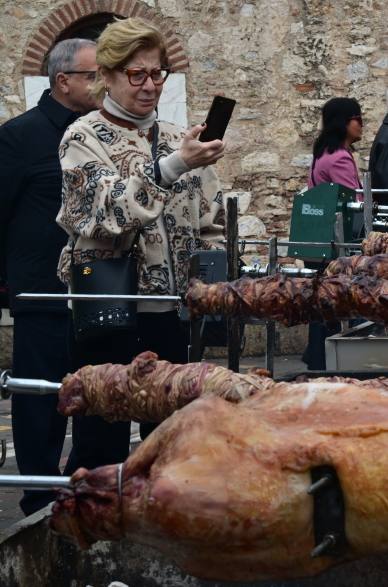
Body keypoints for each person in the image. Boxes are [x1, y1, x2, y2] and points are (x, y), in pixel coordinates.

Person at [55, 18, 226, 473]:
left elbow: (209, 221)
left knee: (172, 443)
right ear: (105, 77)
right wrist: (172, 167)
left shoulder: (179, 139)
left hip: (171, 315)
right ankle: (94, 535)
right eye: (136, 75)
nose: (149, 86)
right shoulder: (83, 137)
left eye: (157, 73)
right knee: (100, 444)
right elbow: (106, 213)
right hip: (108, 309)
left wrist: (214, 289)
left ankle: (162, 534)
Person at [0, 39, 100, 515]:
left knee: (96, 395)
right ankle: (39, 497)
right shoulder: (18, 137)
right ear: (64, 81)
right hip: (40, 292)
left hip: (98, 292)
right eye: (94, 75)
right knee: (40, 401)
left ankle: (85, 487)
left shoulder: (101, 135)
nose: (104, 84)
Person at [302, 98, 364, 370]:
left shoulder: (321, 155)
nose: (362, 124)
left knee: (323, 303)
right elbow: (352, 204)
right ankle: (334, 361)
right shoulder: (340, 157)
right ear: (344, 122)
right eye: (357, 118)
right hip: (337, 244)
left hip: (318, 240)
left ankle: (317, 360)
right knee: (343, 301)